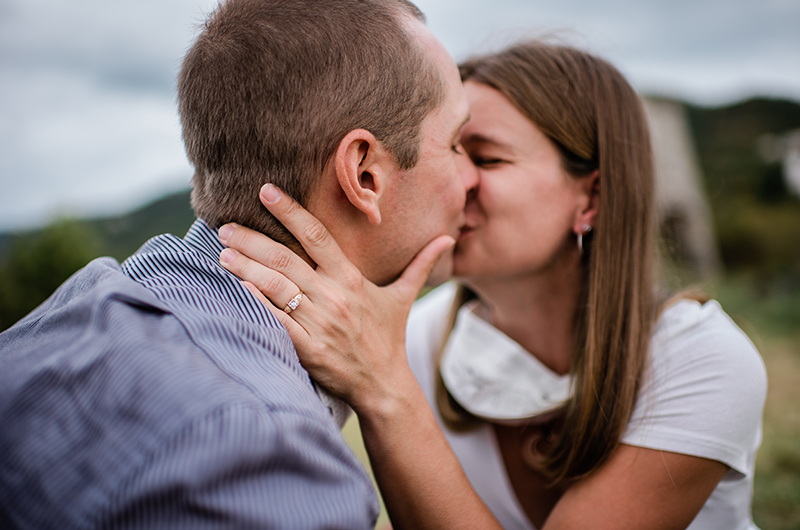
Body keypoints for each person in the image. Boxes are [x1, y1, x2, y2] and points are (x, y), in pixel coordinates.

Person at [217, 41, 768, 529]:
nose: (458, 182)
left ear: (592, 199)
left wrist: (385, 389)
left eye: (487, 157)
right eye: (450, 151)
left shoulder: (703, 363)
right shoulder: (420, 339)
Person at [0, 0, 483, 527]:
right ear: (364, 174)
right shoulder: (269, 457)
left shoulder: (78, 303)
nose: (474, 179)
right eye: (457, 143)